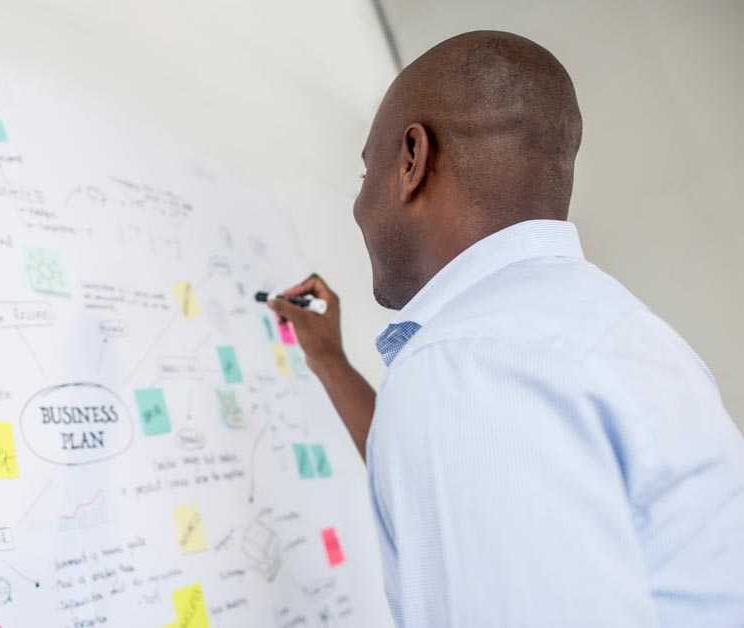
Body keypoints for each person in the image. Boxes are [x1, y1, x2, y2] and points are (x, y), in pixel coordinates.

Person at [270, 31, 744, 627]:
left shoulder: (465, 367)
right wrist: (331, 363)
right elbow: (450, 482)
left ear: (413, 160)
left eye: (368, 172)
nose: (358, 205)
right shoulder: (590, 327)